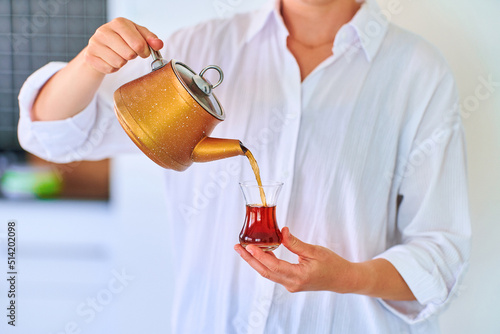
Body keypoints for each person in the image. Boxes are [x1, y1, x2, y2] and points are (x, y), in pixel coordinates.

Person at [18, 0, 470, 332]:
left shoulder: (417, 73)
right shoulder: (198, 48)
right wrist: (90, 63)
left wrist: (348, 276)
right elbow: (55, 137)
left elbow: (441, 255)